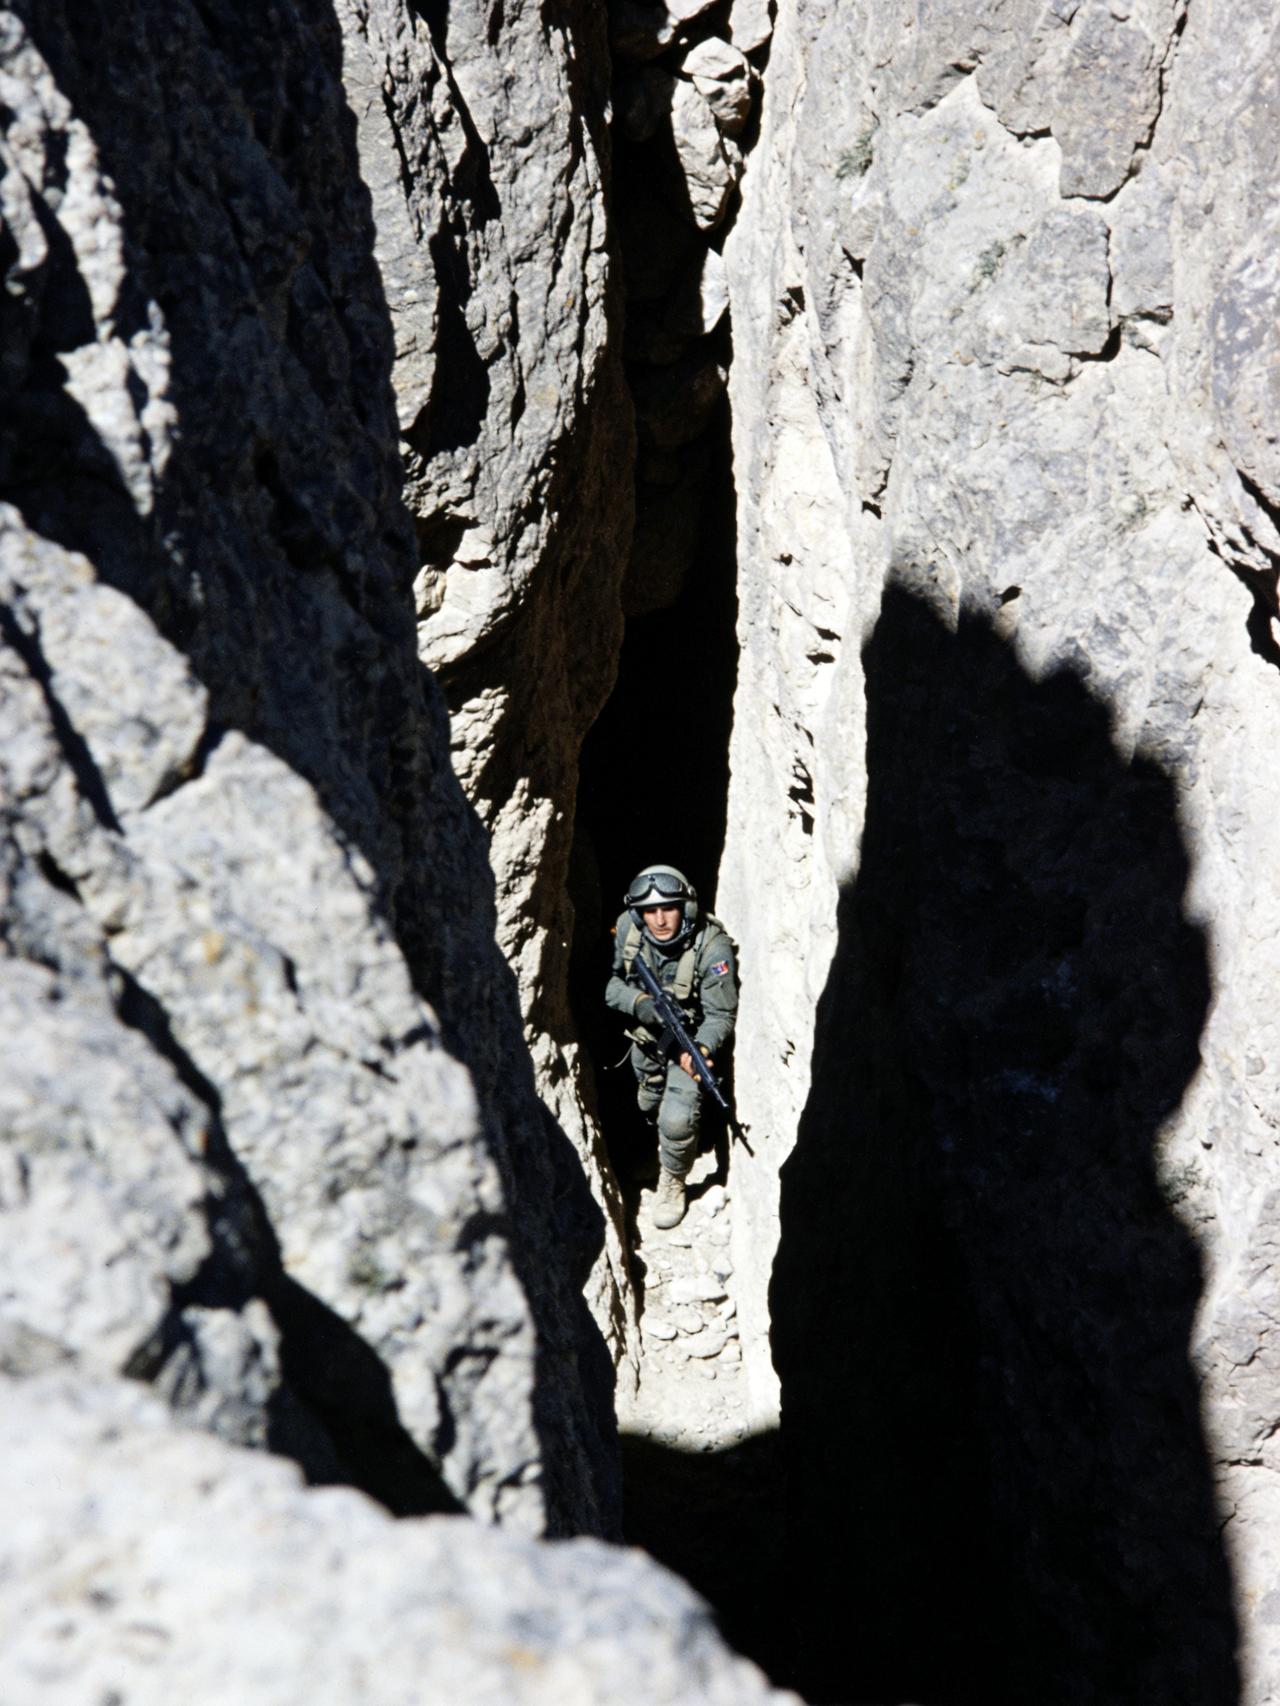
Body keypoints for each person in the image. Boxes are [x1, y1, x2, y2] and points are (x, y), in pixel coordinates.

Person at [605, 865, 738, 1229]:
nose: (660, 920)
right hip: (648, 1039)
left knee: (677, 1117)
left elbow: (720, 1015)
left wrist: (703, 1050)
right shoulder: (630, 933)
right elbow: (611, 987)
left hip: (687, 1040)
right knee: (648, 1101)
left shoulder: (711, 947)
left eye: (669, 908)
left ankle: (673, 1180)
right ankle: (657, 1147)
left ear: (687, 908)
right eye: (650, 911)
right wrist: (641, 1004)